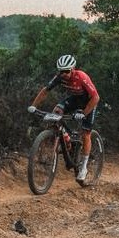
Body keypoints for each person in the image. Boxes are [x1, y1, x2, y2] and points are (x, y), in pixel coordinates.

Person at [27, 54, 100, 184]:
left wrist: (84, 113)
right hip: (75, 99)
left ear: (73, 69)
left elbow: (95, 97)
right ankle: (66, 139)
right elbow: (45, 91)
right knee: (56, 112)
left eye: (66, 71)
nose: (64, 74)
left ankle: (83, 167)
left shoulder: (81, 77)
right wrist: (33, 106)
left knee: (86, 134)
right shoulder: (59, 77)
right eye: (61, 71)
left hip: (89, 103)